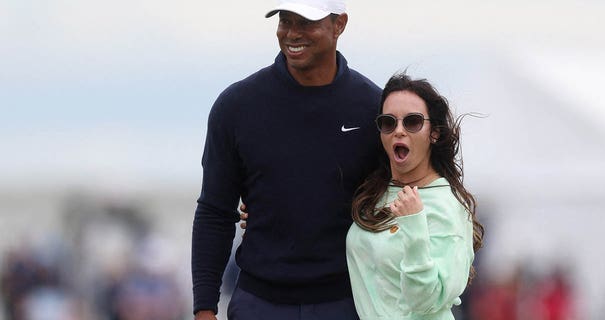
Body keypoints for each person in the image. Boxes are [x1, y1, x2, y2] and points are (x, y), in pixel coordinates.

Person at [191, 0, 382, 319]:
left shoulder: (374, 108)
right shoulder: (236, 106)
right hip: (259, 302)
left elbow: (397, 201)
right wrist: (205, 309)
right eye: (285, 21)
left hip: (347, 303)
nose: (293, 33)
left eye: (306, 22)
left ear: (339, 25)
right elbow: (215, 211)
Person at [346, 73, 484, 320]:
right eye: (388, 123)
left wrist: (414, 226)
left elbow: (425, 301)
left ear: (435, 133)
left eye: (412, 122)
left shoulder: (447, 207)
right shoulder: (375, 193)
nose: (399, 131)